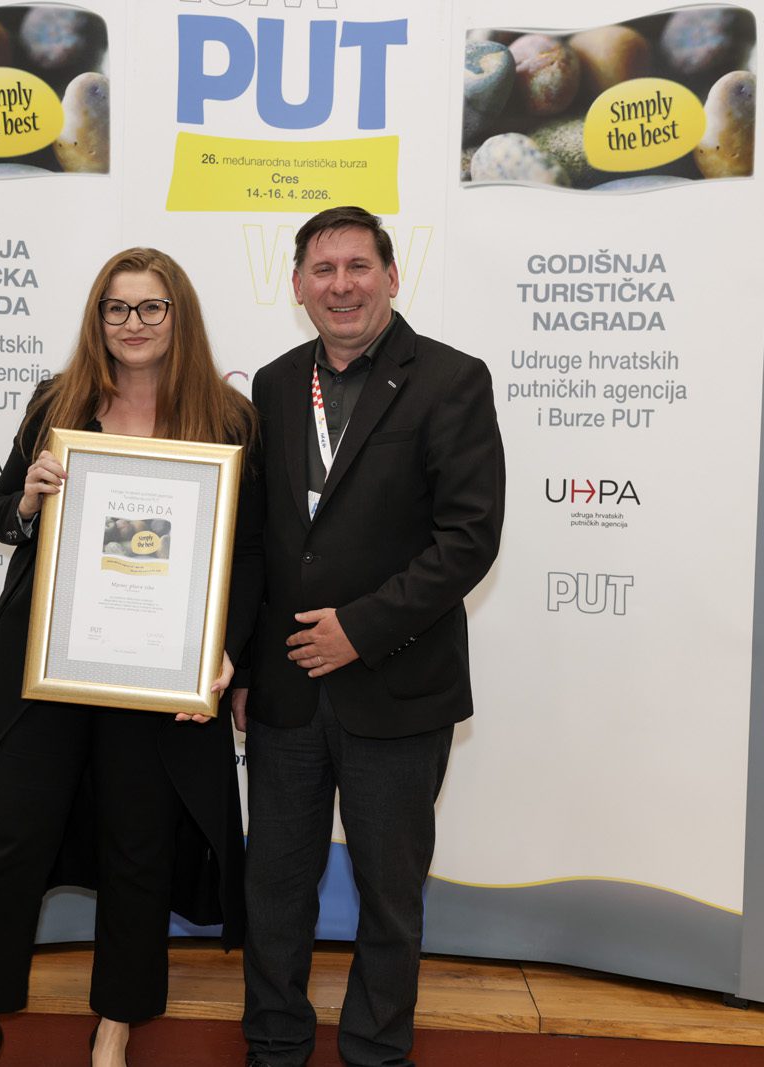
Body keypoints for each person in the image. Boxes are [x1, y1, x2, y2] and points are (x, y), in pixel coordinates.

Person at [0, 248, 256, 1067]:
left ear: (178, 315)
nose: (133, 323)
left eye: (151, 307)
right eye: (116, 308)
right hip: (47, 658)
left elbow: (251, 554)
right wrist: (28, 497)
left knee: (139, 848)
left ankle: (114, 1029)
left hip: (159, 671)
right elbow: (3, 515)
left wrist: (226, 652)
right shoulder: (58, 402)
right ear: (98, 319)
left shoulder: (227, 420)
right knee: (9, 838)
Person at [226, 207, 505, 1067]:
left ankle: (376, 1053)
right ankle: (274, 1045)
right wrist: (242, 664)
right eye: (322, 269)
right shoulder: (275, 384)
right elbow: (260, 540)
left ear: (391, 275)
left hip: (398, 686)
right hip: (285, 690)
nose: (340, 285)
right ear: (297, 285)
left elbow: (469, 538)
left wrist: (360, 628)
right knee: (275, 888)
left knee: (389, 895)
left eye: (357, 266)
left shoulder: (452, 380)